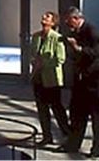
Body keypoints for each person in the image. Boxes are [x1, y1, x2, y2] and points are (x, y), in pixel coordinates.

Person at [58, 7, 99, 159]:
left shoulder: (93, 31)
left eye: (69, 21)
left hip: (96, 82)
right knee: (77, 114)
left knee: (96, 117)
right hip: (81, 82)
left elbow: (98, 56)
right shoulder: (75, 33)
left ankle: (98, 148)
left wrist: (78, 48)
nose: (67, 24)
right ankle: (73, 144)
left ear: (76, 18)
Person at [30, 11, 70, 147]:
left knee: (57, 107)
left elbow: (60, 59)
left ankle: (67, 134)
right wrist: (34, 62)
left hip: (52, 79)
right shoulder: (35, 36)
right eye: (44, 15)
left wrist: (44, 63)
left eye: (47, 16)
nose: (44, 17)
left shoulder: (57, 38)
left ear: (53, 23)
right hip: (38, 78)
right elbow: (32, 54)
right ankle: (47, 136)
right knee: (42, 109)